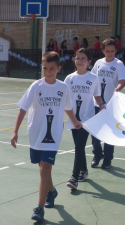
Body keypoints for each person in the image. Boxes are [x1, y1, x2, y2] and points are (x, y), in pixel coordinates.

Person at [10, 51, 82, 222]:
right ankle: (52, 191)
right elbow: (22, 109)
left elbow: (68, 108)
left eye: (51, 69)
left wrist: (76, 122)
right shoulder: (36, 86)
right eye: (45, 68)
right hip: (35, 134)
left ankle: (39, 208)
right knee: (41, 168)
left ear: (59, 68)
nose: (48, 72)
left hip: (53, 135)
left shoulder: (63, 88)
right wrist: (15, 131)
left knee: (46, 169)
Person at [64, 48, 105, 190]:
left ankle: (74, 178)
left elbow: (97, 96)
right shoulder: (69, 78)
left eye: (83, 59)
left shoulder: (93, 78)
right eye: (77, 58)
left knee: (79, 146)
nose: (80, 61)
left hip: (87, 119)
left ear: (89, 62)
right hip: (73, 118)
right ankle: (84, 170)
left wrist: (101, 104)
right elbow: (65, 99)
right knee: (78, 146)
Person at [90, 38, 125, 169]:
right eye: (107, 51)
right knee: (94, 131)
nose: (110, 53)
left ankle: (108, 159)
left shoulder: (119, 64)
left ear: (116, 51)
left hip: (111, 104)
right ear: (103, 51)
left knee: (110, 132)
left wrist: (118, 88)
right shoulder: (98, 63)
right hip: (97, 103)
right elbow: (92, 78)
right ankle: (97, 154)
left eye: (112, 51)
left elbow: (122, 81)